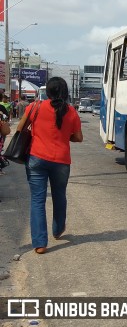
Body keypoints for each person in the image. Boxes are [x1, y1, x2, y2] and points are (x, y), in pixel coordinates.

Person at [17, 77, 83, 254]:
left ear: (48, 92)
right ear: (65, 92)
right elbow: (78, 138)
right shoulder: (71, 112)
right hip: (61, 160)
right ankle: (58, 229)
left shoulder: (35, 107)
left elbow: (20, 128)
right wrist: (63, 136)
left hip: (37, 158)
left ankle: (40, 243)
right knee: (59, 195)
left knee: (37, 200)